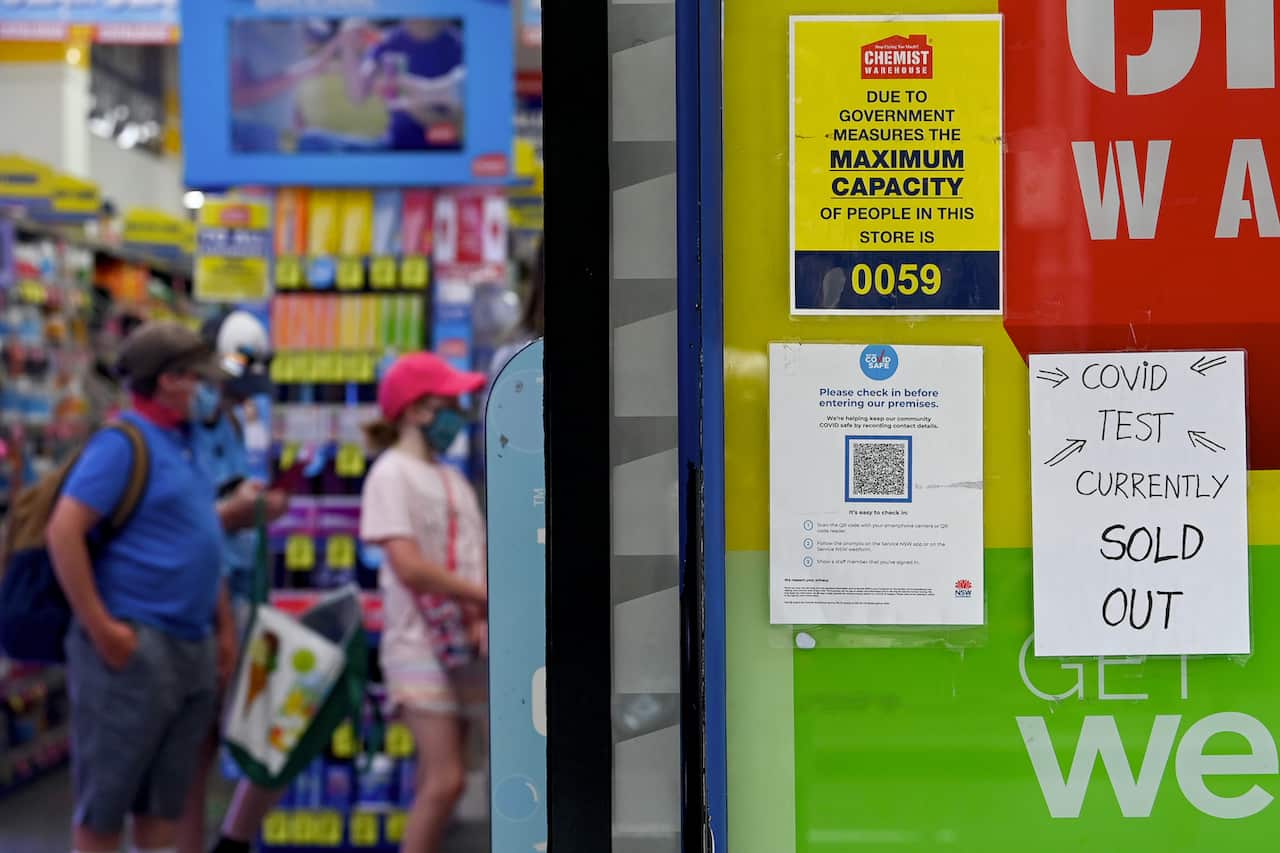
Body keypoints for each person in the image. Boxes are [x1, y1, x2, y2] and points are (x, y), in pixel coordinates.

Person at [46, 322, 265, 853]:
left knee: (163, 802)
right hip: (135, 644)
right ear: (169, 380)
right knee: (106, 802)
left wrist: (223, 628)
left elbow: (200, 540)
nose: (204, 391)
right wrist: (103, 628)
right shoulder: (122, 445)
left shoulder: (184, 444)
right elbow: (64, 531)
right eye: (197, 379)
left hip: (192, 645)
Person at [359, 352, 489, 852]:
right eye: (450, 400)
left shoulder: (451, 479)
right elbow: (408, 566)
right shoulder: (390, 475)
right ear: (417, 410)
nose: (461, 409)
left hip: (459, 646)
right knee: (445, 780)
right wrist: (485, 597)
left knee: (444, 784)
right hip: (416, 647)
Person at [177, 311, 290, 853]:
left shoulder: (232, 421)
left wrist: (259, 506)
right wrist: (233, 513)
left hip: (241, 592)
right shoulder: (181, 428)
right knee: (193, 747)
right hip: (201, 600)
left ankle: (229, 841)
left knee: (263, 733)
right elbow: (183, 520)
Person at [341, 19, 466, 151]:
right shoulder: (387, 39)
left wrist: (418, 111)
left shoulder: (458, 44)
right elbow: (357, 95)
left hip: (442, 151)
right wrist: (349, 47)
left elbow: (456, 127)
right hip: (395, 143)